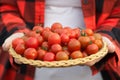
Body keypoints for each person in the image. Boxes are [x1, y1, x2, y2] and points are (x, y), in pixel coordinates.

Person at [0, 0, 120, 80]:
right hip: (25, 71)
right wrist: (15, 32)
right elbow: (5, 5)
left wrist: (108, 36)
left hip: (101, 70)